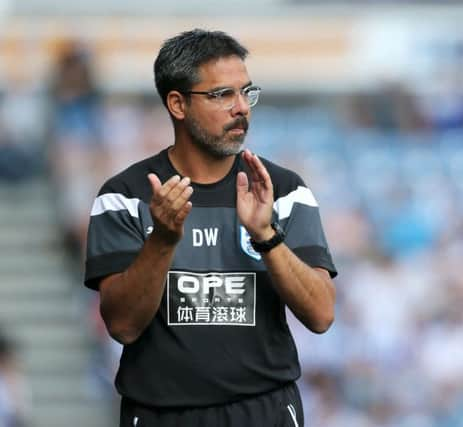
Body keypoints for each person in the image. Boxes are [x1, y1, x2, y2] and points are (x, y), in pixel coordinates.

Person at [84, 29, 337, 427]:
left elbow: (321, 315)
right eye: (222, 95)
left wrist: (266, 236)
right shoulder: (125, 196)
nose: (241, 108)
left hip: (265, 410)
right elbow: (123, 326)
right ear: (177, 104)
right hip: (161, 413)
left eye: (246, 93)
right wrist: (163, 240)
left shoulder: (283, 189)